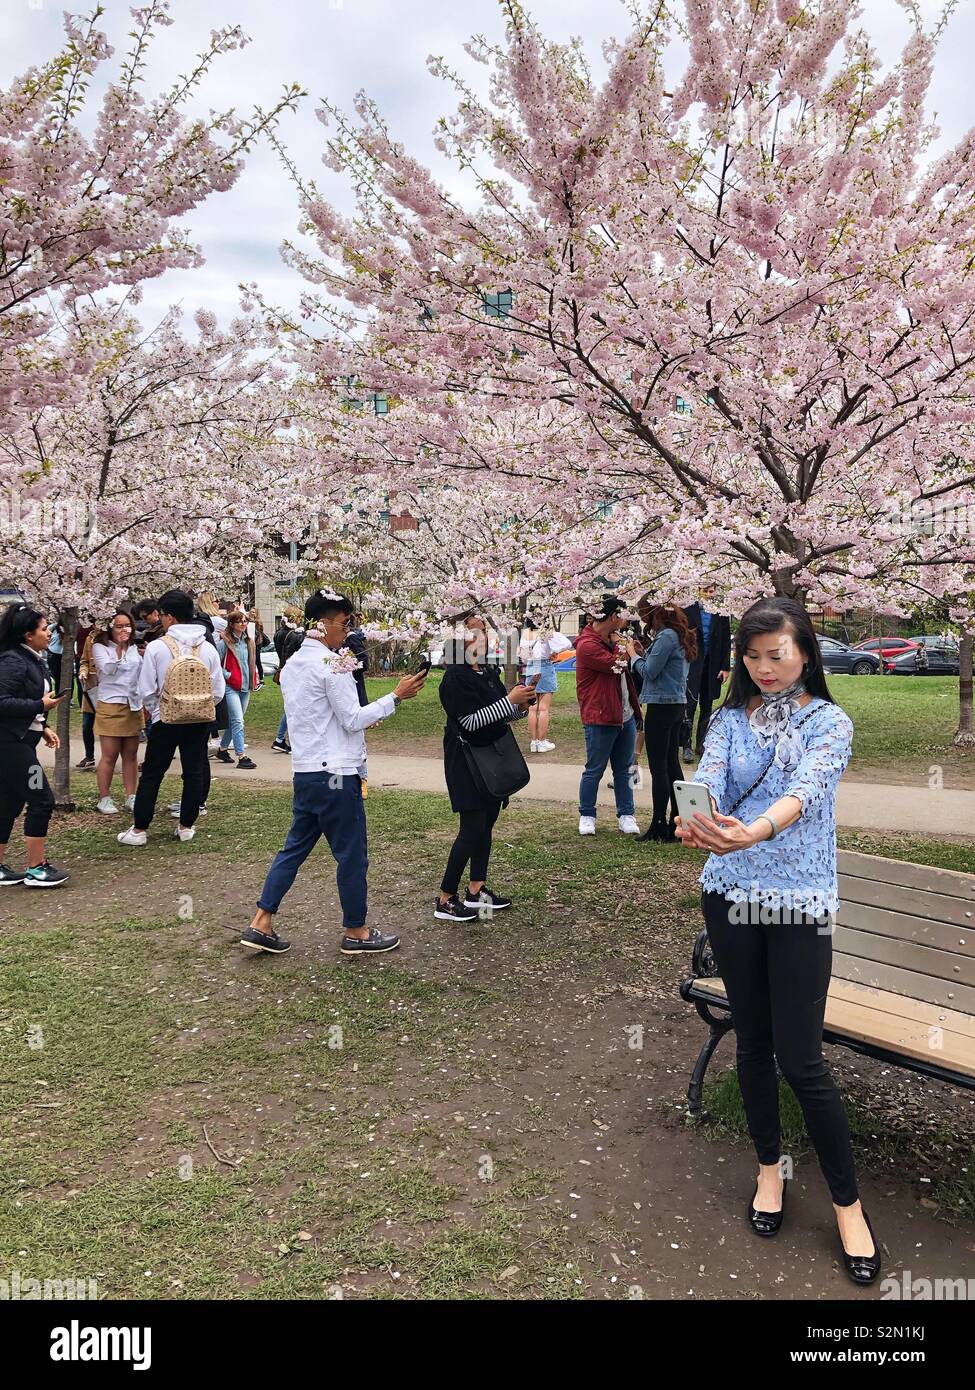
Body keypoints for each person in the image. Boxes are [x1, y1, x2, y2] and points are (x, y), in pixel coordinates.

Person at [676, 596, 880, 1285]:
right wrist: (695, 815)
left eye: (778, 654)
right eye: (752, 656)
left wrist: (754, 830)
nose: (764, 668)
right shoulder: (730, 718)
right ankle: (769, 1171)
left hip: (798, 904)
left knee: (802, 1060)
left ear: (805, 652)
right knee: (752, 1042)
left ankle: (847, 1204)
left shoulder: (829, 721)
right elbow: (709, 773)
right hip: (728, 895)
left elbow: (807, 790)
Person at [240, 590, 426, 956]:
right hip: (337, 774)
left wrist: (362, 717)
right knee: (352, 854)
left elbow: (324, 717)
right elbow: (352, 717)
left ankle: (262, 919)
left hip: (307, 772)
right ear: (323, 625)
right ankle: (357, 930)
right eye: (344, 624)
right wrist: (396, 695)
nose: (348, 631)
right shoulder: (332, 664)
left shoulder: (292, 665)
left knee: (293, 848)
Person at [436, 615, 537, 922]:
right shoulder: (454, 679)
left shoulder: (487, 671)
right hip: (467, 761)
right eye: (473, 634)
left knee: (486, 824)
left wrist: (521, 705)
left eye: (483, 633)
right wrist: (510, 701)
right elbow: (469, 722)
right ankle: (445, 898)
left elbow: (500, 715)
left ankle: (476, 889)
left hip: (493, 757)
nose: (481, 639)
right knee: (471, 828)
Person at [117, 589, 225, 846]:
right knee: (194, 771)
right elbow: (218, 691)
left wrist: (158, 709)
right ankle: (186, 825)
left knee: (154, 772)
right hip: (199, 720)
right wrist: (199, 706)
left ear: (171, 617)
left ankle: (140, 829)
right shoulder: (207, 648)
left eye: (163, 614)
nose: (161, 619)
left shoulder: (157, 647)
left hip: (166, 719)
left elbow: (146, 689)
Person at [0, 604, 69, 887]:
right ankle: (36, 867)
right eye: (44, 629)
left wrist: (43, 727)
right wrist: (39, 706)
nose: (49, 632)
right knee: (41, 798)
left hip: (20, 740)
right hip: (9, 745)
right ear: (28, 635)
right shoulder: (13, 661)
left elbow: (26, 703)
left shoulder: (31, 658)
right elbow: (2, 702)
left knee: (8, 803)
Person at [575, 596, 642, 836]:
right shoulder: (587, 645)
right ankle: (587, 814)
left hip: (624, 714)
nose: (627, 620)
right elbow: (617, 665)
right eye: (624, 615)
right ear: (613, 616)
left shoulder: (612, 639)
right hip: (600, 715)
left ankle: (626, 814)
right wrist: (621, 646)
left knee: (624, 769)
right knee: (595, 768)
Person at [631, 602, 695, 841]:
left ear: (654, 613)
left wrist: (633, 656)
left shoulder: (666, 636)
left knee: (659, 767)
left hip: (661, 705)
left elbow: (649, 671)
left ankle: (659, 824)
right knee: (671, 763)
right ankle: (676, 821)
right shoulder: (679, 635)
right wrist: (644, 652)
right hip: (676, 704)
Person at [92, 612, 144, 815]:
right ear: (110, 628)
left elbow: (138, 674)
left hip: (132, 704)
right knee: (110, 754)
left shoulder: (134, 648)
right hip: (111, 704)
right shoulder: (100, 647)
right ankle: (104, 798)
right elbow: (108, 670)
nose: (124, 630)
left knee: (130, 754)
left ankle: (131, 796)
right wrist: (120, 649)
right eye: (119, 626)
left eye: (127, 626)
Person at [682, 596, 732, 762]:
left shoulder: (721, 611)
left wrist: (725, 667)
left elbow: (726, 638)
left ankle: (701, 743)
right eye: (706, 590)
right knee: (689, 703)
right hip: (692, 663)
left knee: (707, 704)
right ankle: (686, 745)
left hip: (713, 664)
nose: (710, 594)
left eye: (713, 590)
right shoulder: (688, 607)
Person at [519, 619, 570, 753]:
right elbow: (567, 643)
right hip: (545, 666)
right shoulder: (545, 633)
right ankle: (541, 742)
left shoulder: (525, 634)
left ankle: (534, 742)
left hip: (530, 667)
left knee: (532, 708)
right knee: (543, 708)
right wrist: (553, 651)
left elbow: (523, 657)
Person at [216, 610, 257, 769]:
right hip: (231, 686)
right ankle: (242, 756)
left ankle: (222, 749)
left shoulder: (249, 642)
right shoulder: (224, 643)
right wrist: (227, 675)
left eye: (245, 621)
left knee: (235, 722)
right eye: (240, 621)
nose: (243, 623)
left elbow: (251, 661)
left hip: (245, 685)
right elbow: (215, 664)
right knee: (238, 721)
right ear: (232, 624)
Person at [270, 606, 303, 752]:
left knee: (290, 705)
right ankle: (280, 738)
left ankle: (281, 738)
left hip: (283, 671)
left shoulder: (278, 633)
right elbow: (291, 654)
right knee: (292, 707)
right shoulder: (294, 635)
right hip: (292, 673)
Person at [75, 618, 97, 770]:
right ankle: (89, 756)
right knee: (86, 724)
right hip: (91, 688)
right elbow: (84, 661)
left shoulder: (113, 639)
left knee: (111, 727)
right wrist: (83, 672)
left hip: (110, 690)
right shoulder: (90, 637)